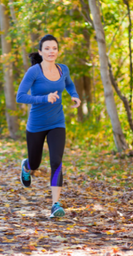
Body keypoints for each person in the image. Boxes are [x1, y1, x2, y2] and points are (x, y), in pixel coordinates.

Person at [16, 34, 81, 218]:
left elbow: (69, 84)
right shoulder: (34, 72)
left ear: (58, 51)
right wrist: (44, 98)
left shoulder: (63, 69)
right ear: (40, 51)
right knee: (35, 163)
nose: (51, 51)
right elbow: (20, 96)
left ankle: (55, 205)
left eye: (54, 48)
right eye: (47, 48)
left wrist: (73, 94)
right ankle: (27, 167)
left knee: (56, 162)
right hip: (36, 125)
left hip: (57, 123)